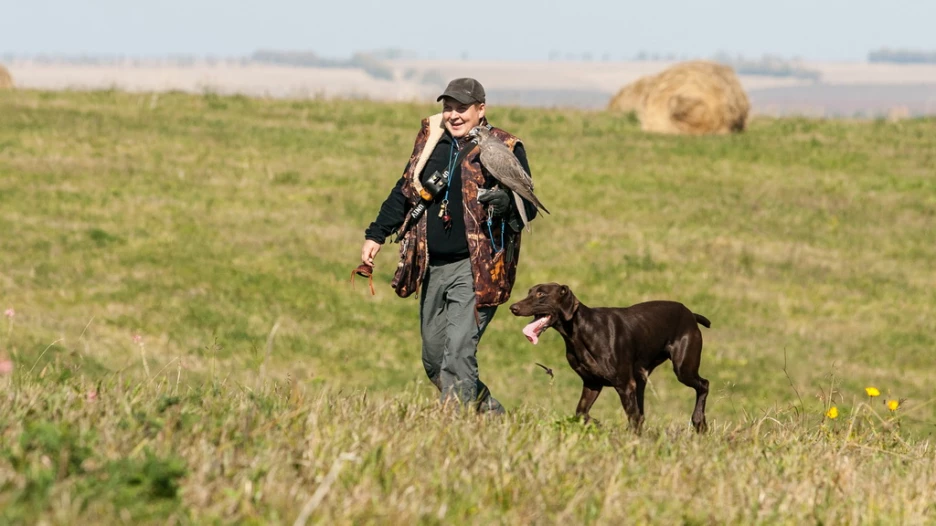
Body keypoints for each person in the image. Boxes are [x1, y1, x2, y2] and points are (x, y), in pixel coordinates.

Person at [359, 78, 538, 414]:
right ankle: (491, 415)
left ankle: (454, 427)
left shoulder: (504, 146)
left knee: (458, 352)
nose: (454, 115)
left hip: (478, 268)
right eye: (448, 108)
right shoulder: (433, 144)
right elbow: (405, 191)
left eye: (462, 108)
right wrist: (376, 234)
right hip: (432, 266)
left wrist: (505, 205)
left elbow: (528, 205)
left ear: (480, 109)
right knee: (434, 358)